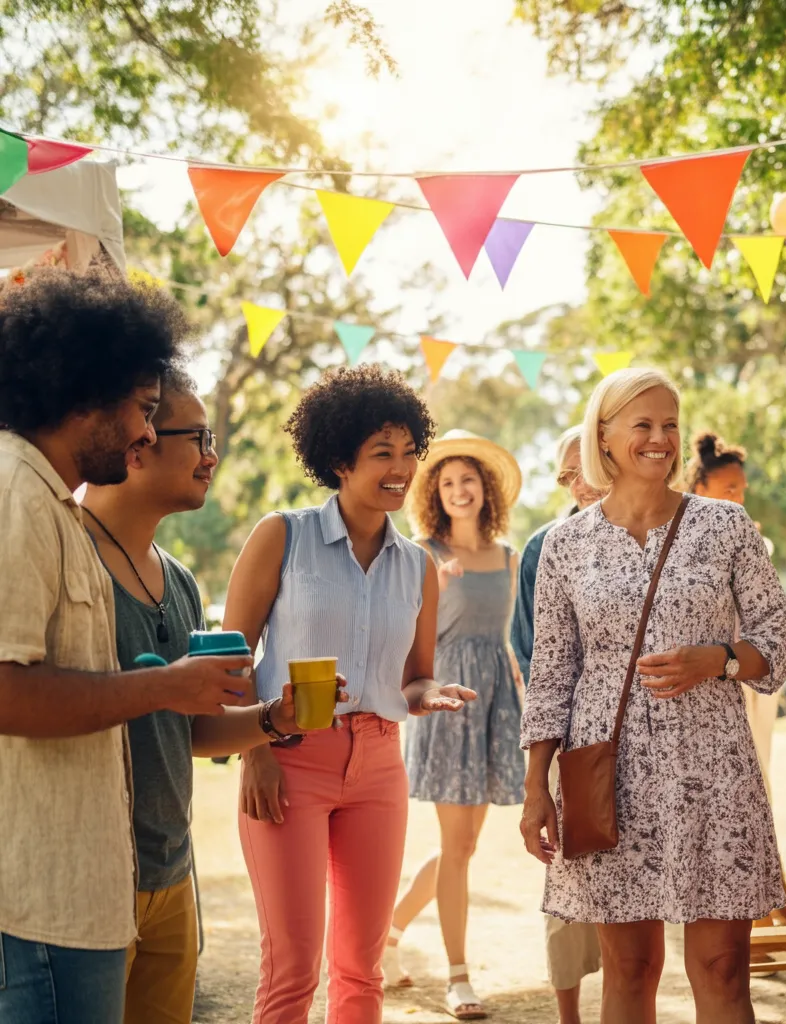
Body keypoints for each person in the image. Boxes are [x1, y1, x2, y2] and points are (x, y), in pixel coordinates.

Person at [0, 270, 253, 1024]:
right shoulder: (19, 497)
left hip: (93, 889)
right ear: (86, 392)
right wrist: (167, 686)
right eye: (144, 411)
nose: (146, 434)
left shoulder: (49, 503)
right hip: (44, 901)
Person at [520, 367, 786, 1024]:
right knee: (630, 968)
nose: (659, 439)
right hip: (607, 776)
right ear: (605, 438)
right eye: (641, 425)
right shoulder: (564, 545)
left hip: (715, 773)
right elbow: (551, 673)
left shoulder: (726, 527)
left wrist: (720, 659)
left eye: (669, 425)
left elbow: (780, 644)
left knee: (724, 967)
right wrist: (537, 783)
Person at [80, 364, 341, 1024]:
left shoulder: (181, 580)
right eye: (196, 437)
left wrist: (274, 718)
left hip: (170, 872)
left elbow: (192, 733)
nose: (212, 455)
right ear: (138, 442)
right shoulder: (69, 557)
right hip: (86, 881)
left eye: (211, 436)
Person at [223, 365, 474, 1024]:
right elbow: (228, 661)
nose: (402, 468)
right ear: (339, 459)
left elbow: (414, 673)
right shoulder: (283, 536)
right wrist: (256, 752)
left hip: (378, 768)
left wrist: (428, 691)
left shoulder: (417, 565)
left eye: (409, 452)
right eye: (382, 453)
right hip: (288, 759)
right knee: (293, 966)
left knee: (361, 969)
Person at [386, 430, 524, 1020]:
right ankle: (459, 976)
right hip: (446, 703)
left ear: (485, 488)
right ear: (434, 495)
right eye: (447, 484)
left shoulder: (512, 558)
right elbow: (398, 639)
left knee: (461, 847)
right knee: (456, 846)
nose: (459, 491)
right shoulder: (420, 555)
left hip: (497, 703)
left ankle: (387, 935)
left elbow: (516, 641)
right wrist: (431, 595)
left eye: (468, 480)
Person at [683, 430, 786, 930]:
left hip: (752, 675)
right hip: (712, 681)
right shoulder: (683, 538)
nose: (737, 496)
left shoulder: (746, 533)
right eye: (726, 487)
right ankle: (755, 899)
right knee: (729, 790)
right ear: (700, 485)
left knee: (760, 780)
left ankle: (771, 887)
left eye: (741, 488)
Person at [510, 425, 604, 1024]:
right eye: (566, 475)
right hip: (574, 744)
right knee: (569, 893)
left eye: (583, 467)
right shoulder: (544, 547)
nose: (578, 483)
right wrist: (539, 774)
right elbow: (531, 657)